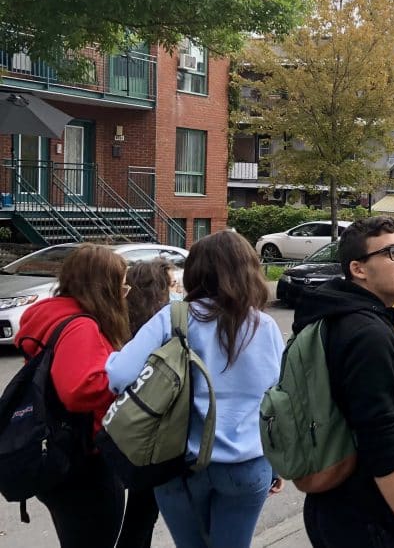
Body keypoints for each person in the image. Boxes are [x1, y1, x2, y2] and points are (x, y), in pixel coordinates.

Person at [106, 231, 285, 548]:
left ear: (195, 272)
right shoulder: (265, 326)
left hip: (179, 463)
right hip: (248, 465)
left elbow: (119, 376)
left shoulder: (173, 317)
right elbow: (278, 397)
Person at [295, 216, 394, 547]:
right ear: (359, 269)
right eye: (393, 252)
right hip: (368, 512)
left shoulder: (337, 315)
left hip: (333, 501)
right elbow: (380, 437)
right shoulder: (368, 333)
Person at [15, 244, 131, 548]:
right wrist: (128, 377)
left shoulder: (50, 314)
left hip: (54, 448)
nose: (124, 294)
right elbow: (78, 390)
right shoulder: (82, 326)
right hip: (82, 460)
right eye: (121, 286)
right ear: (104, 287)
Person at [117, 258, 175, 548]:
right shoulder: (163, 326)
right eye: (172, 285)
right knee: (142, 514)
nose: (177, 292)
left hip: (128, 430)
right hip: (156, 436)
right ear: (158, 290)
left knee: (139, 513)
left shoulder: (122, 322)